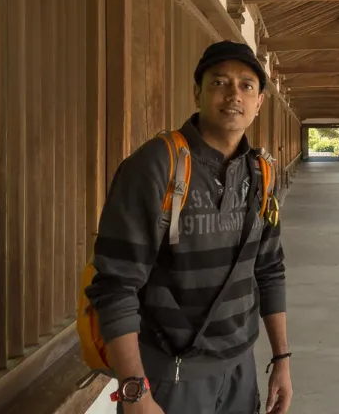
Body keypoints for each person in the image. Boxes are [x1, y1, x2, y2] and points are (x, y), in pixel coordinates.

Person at [85, 41, 293, 414]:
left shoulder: (261, 174)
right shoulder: (154, 167)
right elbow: (116, 284)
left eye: (247, 85)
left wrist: (282, 359)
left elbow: (269, 269)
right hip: (169, 378)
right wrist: (134, 390)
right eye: (219, 82)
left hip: (240, 371)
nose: (234, 95)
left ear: (260, 102)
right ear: (197, 92)